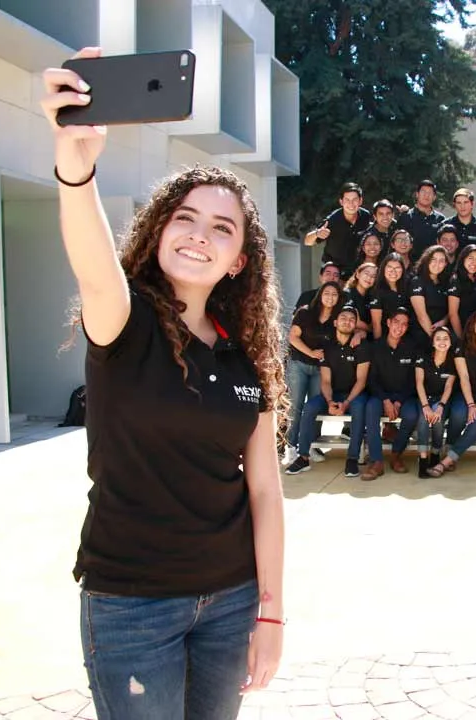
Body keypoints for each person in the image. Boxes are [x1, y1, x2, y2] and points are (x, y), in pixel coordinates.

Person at [43, 50, 285, 715]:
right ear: (156, 231)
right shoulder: (124, 320)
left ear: (239, 262)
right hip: (130, 606)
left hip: (231, 603)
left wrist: (271, 614)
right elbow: (92, 264)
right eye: (185, 217)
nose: (199, 236)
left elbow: (264, 489)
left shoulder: (248, 360)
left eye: (221, 229)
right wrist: (76, 162)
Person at [286, 306, 370, 477]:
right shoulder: (327, 347)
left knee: (359, 408)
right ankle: (303, 457)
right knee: (310, 407)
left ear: (356, 326)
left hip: (355, 395)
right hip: (333, 394)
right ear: (335, 322)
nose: (347, 321)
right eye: (344, 318)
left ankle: (352, 459)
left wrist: (346, 403)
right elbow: (325, 380)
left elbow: (361, 381)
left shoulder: (362, 347)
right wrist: (331, 402)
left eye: (352, 320)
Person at [428, 308, 476, 477]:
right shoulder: (461, 345)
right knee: (458, 413)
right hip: (466, 393)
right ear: (472, 325)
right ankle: (449, 447)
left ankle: (448, 460)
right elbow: (463, 377)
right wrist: (470, 404)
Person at [361, 309, 421, 481]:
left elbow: (413, 381)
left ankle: (396, 454)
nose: (399, 327)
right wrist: (386, 400)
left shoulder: (411, 348)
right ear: (388, 323)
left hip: (404, 396)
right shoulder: (376, 347)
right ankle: (377, 461)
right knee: (371, 409)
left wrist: (399, 401)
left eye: (404, 324)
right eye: (396, 322)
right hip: (381, 395)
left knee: (411, 415)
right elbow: (371, 379)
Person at [285, 282, 342, 458]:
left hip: (321, 369)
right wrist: (310, 352)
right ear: (320, 294)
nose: (330, 297)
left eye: (334, 294)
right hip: (299, 364)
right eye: (327, 293)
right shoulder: (305, 312)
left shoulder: (337, 319)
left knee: (315, 407)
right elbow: (293, 337)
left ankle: (311, 446)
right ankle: (291, 447)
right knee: (296, 406)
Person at [304, 182, 373, 276]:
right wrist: (317, 233)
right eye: (347, 200)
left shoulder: (366, 216)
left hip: (356, 269)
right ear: (341, 202)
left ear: (360, 201)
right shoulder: (332, 220)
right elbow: (307, 242)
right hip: (334, 269)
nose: (351, 204)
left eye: (354, 200)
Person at [415, 327, 457, 478]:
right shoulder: (423, 357)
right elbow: (419, 382)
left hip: (441, 399)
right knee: (423, 419)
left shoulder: (452, 361)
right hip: (424, 397)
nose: (442, 342)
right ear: (432, 342)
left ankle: (435, 453)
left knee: (438, 421)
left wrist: (440, 406)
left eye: (445, 338)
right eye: (438, 338)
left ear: (451, 342)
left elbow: (448, 386)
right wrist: (426, 406)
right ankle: (423, 459)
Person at [408, 245, 452, 342]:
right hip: (423, 335)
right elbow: (421, 316)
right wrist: (435, 339)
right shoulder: (417, 281)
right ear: (427, 260)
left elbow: (451, 310)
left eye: (441, 261)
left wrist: (444, 321)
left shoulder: (446, 283)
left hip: (442, 334)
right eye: (433, 259)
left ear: (445, 264)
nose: (437, 263)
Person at [396, 180, 446, 258]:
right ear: (417, 194)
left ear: (434, 197)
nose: (426, 195)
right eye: (423, 192)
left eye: (430, 193)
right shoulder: (406, 216)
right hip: (410, 264)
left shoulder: (441, 219)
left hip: (433, 264)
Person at [369, 252, 410, 340]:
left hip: (406, 338)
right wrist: (380, 346)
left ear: (403, 270)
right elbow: (376, 324)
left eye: (397, 268)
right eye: (389, 267)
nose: (393, 271)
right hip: (385, 339)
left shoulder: (407, 287)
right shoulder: (377, 291)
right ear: (383, 269)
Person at [448, 244, 476, 340]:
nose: (474, 262)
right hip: (461, 332)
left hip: (475, 332)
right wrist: (461, 338)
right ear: (463, 259)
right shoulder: (456, 280)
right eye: (470, 258)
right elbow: (453, 314)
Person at [344, 262, 378, 339]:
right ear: (358, 274)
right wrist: (371, 329)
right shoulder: (347, 293)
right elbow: (356, 322)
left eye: (373, 276)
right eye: (366, 273)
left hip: (368, 337)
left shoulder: (372, 296)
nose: (369, 278)